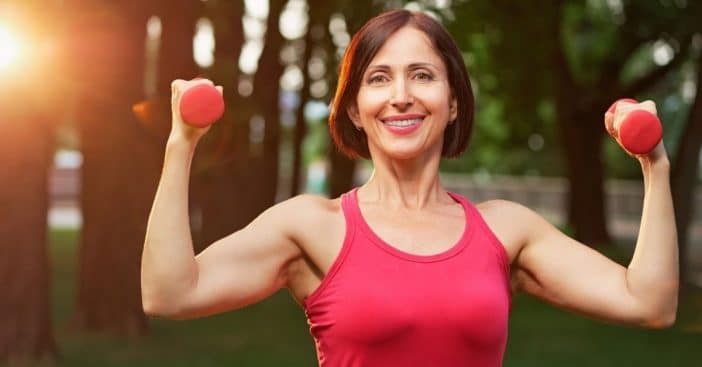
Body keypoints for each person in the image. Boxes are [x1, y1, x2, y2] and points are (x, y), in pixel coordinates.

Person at [140, 9, 678, 366]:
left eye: (422, 75)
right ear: (355, 108)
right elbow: (170, 292)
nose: (401, 95)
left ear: (453, 103)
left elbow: (649, 302)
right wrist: (181, 143)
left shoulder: (505, 229)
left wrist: (654, 167)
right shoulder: (311, 226)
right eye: (378, 78)